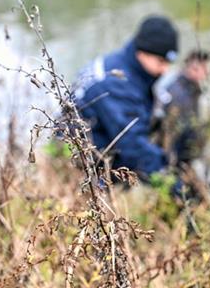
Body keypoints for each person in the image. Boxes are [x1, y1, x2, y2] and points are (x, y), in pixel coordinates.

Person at [74, 16, 178, 181]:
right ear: (142, 52)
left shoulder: (122, 64)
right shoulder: (116, 84)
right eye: (161, 61)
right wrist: (171, 180)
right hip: (81, 165)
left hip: (94, 145)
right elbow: (133, 146)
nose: (165, 70)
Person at [156, 50, 210, 174]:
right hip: (173, 164)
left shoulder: (189, 90)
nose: (208, 72)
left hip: (179, 161)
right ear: (194, 68)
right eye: (205, 68)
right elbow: (184, 135)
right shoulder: (179, 95)